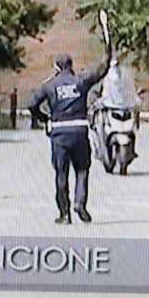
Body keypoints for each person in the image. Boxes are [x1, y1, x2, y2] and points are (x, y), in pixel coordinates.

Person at [27, 47, 112, 225]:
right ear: (71, 65)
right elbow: (101, 71)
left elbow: (31, 104)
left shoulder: (49, 85)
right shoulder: (81, 81)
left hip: (59, 134)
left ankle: (64, 214)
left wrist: (44, 118)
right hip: (80, 132)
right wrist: (107, 52)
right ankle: (80, 204)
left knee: (61, 173)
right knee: (82, 170)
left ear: (56, 67)